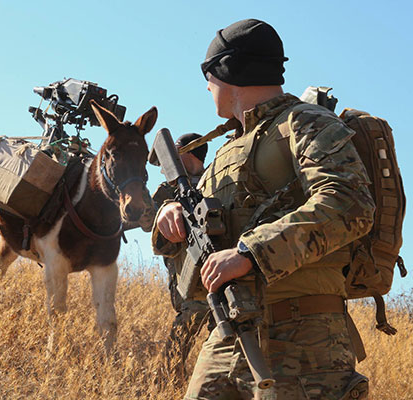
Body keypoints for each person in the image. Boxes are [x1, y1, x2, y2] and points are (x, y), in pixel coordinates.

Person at [152, 19, 375, 399]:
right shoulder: (225, 152)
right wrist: (168, 216)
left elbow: (349, 203)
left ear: (226, 72)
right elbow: (199, 233)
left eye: (210, 78)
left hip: (306, 336)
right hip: (227, 335)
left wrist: (250, 253)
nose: (208, 89)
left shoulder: (305, 123)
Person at [148, 133, 211, 379]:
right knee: (184, 328)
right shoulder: (166, 190)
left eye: (176, 152)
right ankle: (166, 382)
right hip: (186, 272)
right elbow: (150, 226)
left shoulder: (217, 177)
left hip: (216, 266)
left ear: (189, 152)